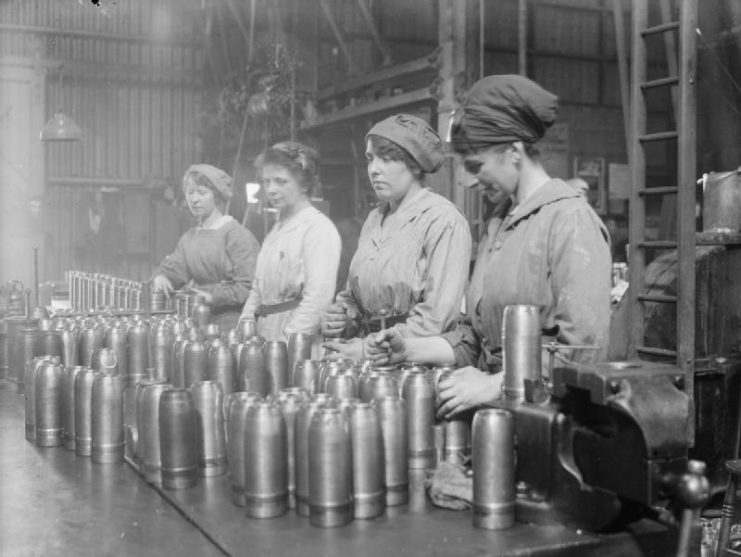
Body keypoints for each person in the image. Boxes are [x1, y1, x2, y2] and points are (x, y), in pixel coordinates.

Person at [366, 75, 612, 419]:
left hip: (549, 422)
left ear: (514, 151)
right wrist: (407, 348)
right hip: (496, 415)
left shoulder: (570, 220)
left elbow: (584, 354)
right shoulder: (499, 224)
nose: (468, 180)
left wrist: (495, 384)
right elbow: (475, 338)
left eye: (476, 166)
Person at [321, 114, 472, 359]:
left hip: (418, 364)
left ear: (415, 164)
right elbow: (355, 296)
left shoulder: (443, 220)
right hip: (373, 359)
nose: (374, 170)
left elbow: (437, 317)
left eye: (387, 159)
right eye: (370, 159)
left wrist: (368, 348)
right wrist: (341, 315)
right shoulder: (373, 220)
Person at [240, 141, 341, 344]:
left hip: (296, 342)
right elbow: (257, 290)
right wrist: (246, 323)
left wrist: (285, 347)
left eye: (280, 181)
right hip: (263, 337)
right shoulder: (276, 230)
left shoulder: (318, 228)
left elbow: (317, 301)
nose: (271, 189)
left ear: (303, 183)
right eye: (267, 182)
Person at [152, 164, 260, 331]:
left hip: (233, 321)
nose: (194, 200)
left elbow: (250, 286)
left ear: (216, 196)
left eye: (201, 193)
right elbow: (175, 268)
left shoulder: (237, 235)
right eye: (190, 193)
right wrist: (163, 277)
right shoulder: (189, 238)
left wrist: (212, 296)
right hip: (199, 318)